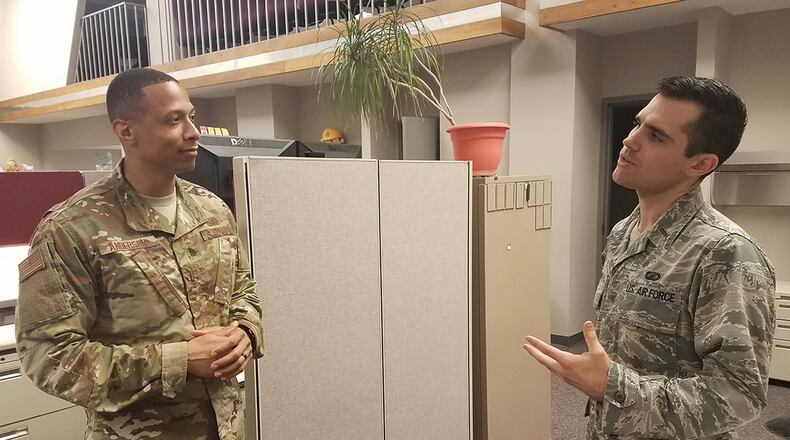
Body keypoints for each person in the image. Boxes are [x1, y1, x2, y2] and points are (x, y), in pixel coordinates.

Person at [15, 68, 263, 439]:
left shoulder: (211, 210)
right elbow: (49, 358)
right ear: (125, 131)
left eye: (191, 117)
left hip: (226, 428)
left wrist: (246, 331)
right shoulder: (71, 229)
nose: (193, 132)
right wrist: (178, 361)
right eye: (173, 120)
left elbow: (243, 291)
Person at [522, 76, 776, 439]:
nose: (630, 140)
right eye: (638, 123)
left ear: (700, 163)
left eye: (655, 135)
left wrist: (613, 384)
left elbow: (739, 396)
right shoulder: (623, 232)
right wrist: (606, 385)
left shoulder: (725, 252)